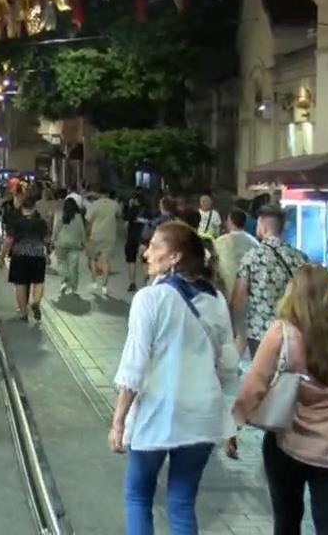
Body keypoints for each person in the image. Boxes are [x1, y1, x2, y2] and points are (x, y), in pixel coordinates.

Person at [110, 222, 238, 535]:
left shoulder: (149, 299)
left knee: (138, 495)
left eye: (155, 247)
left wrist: (118, 420)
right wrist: (229, 418)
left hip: (158, 412)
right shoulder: (216, 298)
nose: (146, 253)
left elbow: (134, 366)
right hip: (202, 413)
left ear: (175, 257)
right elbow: (229, 364)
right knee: (182, 503)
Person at [234, 264, 328, 535]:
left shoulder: (282, 333)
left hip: (287, 444)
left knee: (286, 522)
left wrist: (234, 424)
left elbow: (254, 387)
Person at [233, 206, 308, 357]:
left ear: (263, 226)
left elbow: (238, 299)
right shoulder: (300, 258)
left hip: (259, 333)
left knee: (263, 377)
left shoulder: (252, 257)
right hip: (292, 332)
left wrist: (235, 328)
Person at [1, 191, 50, 322]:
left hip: (20, 254)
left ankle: (23, 312)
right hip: (38, 254)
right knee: (38, 281)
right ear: (34, 207)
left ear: (22, 207)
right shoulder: (40, 222)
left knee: (20, 284)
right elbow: (46, 239)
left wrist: (2, 256)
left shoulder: (16, 221)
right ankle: (36, 302)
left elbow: (9, 240)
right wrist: (48, 252)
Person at [213, 210, 259, 350]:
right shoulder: (254, 243)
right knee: (242, 332)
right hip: (248, 295)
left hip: (225, 292)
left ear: (230, 221)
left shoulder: (220, 242)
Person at [85, 189, 121, 297]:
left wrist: (86, 234)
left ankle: (94, 282)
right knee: (105, 260)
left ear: (99, 194)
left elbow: (88, 220)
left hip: (95, 235)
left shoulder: (94, 204)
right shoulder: (115, 205)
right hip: (109, 235)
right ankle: (104, 286)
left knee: (93, 259)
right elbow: (119, 216)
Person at [53, 196, 88, 298]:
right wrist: (84, 243)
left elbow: (55, 229)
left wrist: (52, 240)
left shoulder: (59, 215)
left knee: (61, 263)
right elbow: (82, 231)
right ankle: (73, 287)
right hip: (74, 244)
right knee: (73, 267)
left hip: (61, 243)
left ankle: (64, 280)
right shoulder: (78, 217)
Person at [124, 193, 148, 293]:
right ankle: (147, 282)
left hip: (132, 239)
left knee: (131, 261)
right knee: (144, 262)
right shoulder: (148, 210)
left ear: (135, 200)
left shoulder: (131, 210)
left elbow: (125, 225)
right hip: (143, 239)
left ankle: (132, 284)